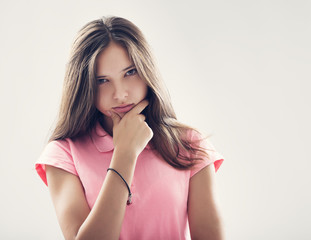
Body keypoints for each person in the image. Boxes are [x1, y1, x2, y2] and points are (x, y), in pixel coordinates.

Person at [35, 16, 225, 240]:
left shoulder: (190, 144)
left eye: (130, 72)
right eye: (102, 80)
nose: (120, 94)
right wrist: (125, 153)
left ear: (147, 71)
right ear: (85, 85)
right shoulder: (64, 154)